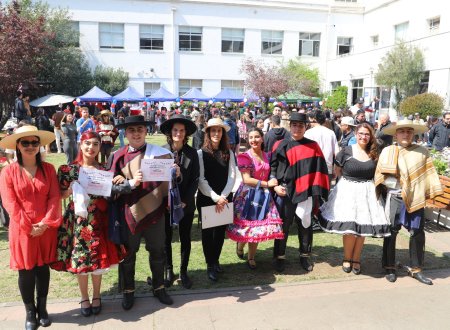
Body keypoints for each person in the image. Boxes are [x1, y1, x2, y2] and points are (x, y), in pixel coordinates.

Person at [51, 132, 126, 317]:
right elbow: (58, 195)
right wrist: (68, 191)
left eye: (94, 144)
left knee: (97, 258)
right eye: (87, 144)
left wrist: (120, 181)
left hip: (99, 219)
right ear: (80, 144)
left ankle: (97, 296)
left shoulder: (105, 171)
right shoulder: (68, 170)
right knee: (81, 259)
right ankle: (84, 297)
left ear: (100, 147)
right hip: (77, 221)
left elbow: (112, 194)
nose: (90, 148)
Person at [107, 115, 175, 310]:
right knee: (128, 254)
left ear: (146, 131)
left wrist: (175, 174)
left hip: (156, 211)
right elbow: (109, 188)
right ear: (125, 133)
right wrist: (128, 183)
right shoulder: (116, 156)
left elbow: (171, 185)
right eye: (131, 130)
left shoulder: (161, 154)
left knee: (158, 251)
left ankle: (159, 287)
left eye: (140, 129)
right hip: (129, 213)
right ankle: (128, 291)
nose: (136, 133)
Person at [0, 126, 61, 330]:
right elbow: (9, 203)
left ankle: (42, 309)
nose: (30, 146)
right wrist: (29, 227)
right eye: (25, 142)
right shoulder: (8, 171)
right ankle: (29, 312)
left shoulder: (49, 169)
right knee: (26, 272)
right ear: (17, 145)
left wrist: (45, 223)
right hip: (21, 229)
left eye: (34, 142)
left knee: (42, 269)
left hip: (45, 227)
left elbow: (54, 197)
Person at [375, 119, 443, 285]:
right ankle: (389, 267)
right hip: (394, 197)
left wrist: (430, 192)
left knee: (417, 233)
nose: (406, 134)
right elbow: (380, 175)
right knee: (391, 232)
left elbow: (429, 173)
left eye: (409, 132)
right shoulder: (388, 151)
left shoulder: (422, 152)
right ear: (396, 134)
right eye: (402, 131)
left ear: (413, 134)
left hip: (415, 198)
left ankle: (416, 269)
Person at [319, 123, 390, 274]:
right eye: (361, 133)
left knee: (362, 229)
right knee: (350, 230)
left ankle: (356, 259)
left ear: (371, 136)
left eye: (367, 134)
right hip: (348, 191)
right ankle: (347, 258)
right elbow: (337, 171)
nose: (363, 137)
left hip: (367, 193)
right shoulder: (346, 151)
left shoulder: (374, 152)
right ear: (356, 134)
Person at [270, 112, 329, 273]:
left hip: (306, 192)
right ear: (290, 126)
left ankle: (304, 255)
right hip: (285, 191)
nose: (297, 128)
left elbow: (320, 169)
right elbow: (272, 167)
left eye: (300, 125)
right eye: (294, 125)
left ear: (306, 127)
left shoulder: (313, 146)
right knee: (284, 224)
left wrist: (316, 190)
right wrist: (275, 185)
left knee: (305, 224)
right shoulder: (280, 145)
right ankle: (279, 256)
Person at [227, 127, 283, 269]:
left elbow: (271, 173)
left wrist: (273, 183)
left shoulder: (267, 155)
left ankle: (251, 257)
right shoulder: (245, 156)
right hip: (247, 195)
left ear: (262, 138)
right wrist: (267, 184)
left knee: (257, 228)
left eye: (257, 137)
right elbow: (246, 179)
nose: (254, 140)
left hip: (263, 195)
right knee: (246, 227)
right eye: (251, 137)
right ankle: (240, 246)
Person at [160, 115, 199, 289]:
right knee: (166, 238)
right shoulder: (161, 151)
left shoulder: (192, 153)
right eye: (175, 130)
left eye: (181, 130)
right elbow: (156, 180)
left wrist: (185, 200)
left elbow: (195, 179)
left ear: (186, 133)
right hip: (166, 204)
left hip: (186, 204)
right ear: (170, 132)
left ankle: (184, 271)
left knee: (185, 238)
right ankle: (169, 270)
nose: (178, 133)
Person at [197, 118, 236, 282]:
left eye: (219, 131)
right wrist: (215, 197)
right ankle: (209, 264)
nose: (216, 133)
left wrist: (224, 197)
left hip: (225, 199)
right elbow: (201, 179)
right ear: (208, 133)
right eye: (213, 130)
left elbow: (232, 176)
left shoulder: (229, 152)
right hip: (207, 199)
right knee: (208, 234)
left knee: (220, 232)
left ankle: (216, 260)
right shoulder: (201, 153)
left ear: (223, 133)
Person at [305, 110, 339, 182]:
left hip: (312, 168)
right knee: (325, 192)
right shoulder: (331, 132)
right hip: (327, 168)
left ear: (314, 119)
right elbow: (336, 152)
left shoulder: (308, 133)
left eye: (310, 119)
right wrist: (335, 168)